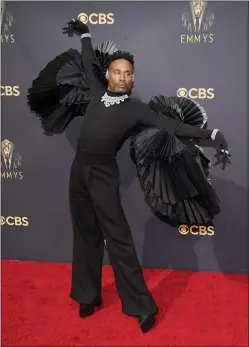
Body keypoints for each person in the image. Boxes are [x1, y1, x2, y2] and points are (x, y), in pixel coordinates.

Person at [27, 18, 231, 333]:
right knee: (85, 234)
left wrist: (212, 132)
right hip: (78, 170)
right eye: (117, 71)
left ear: (131, 79)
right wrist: (86, 36)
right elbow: (85, 61)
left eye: (127, 74)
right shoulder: (95, 92)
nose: (121, 77)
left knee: (119, 240)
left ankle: (141, 305)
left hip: (103, 174)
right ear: (108, 75)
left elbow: (174, 127)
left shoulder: (136, 109)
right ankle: (87, 295)